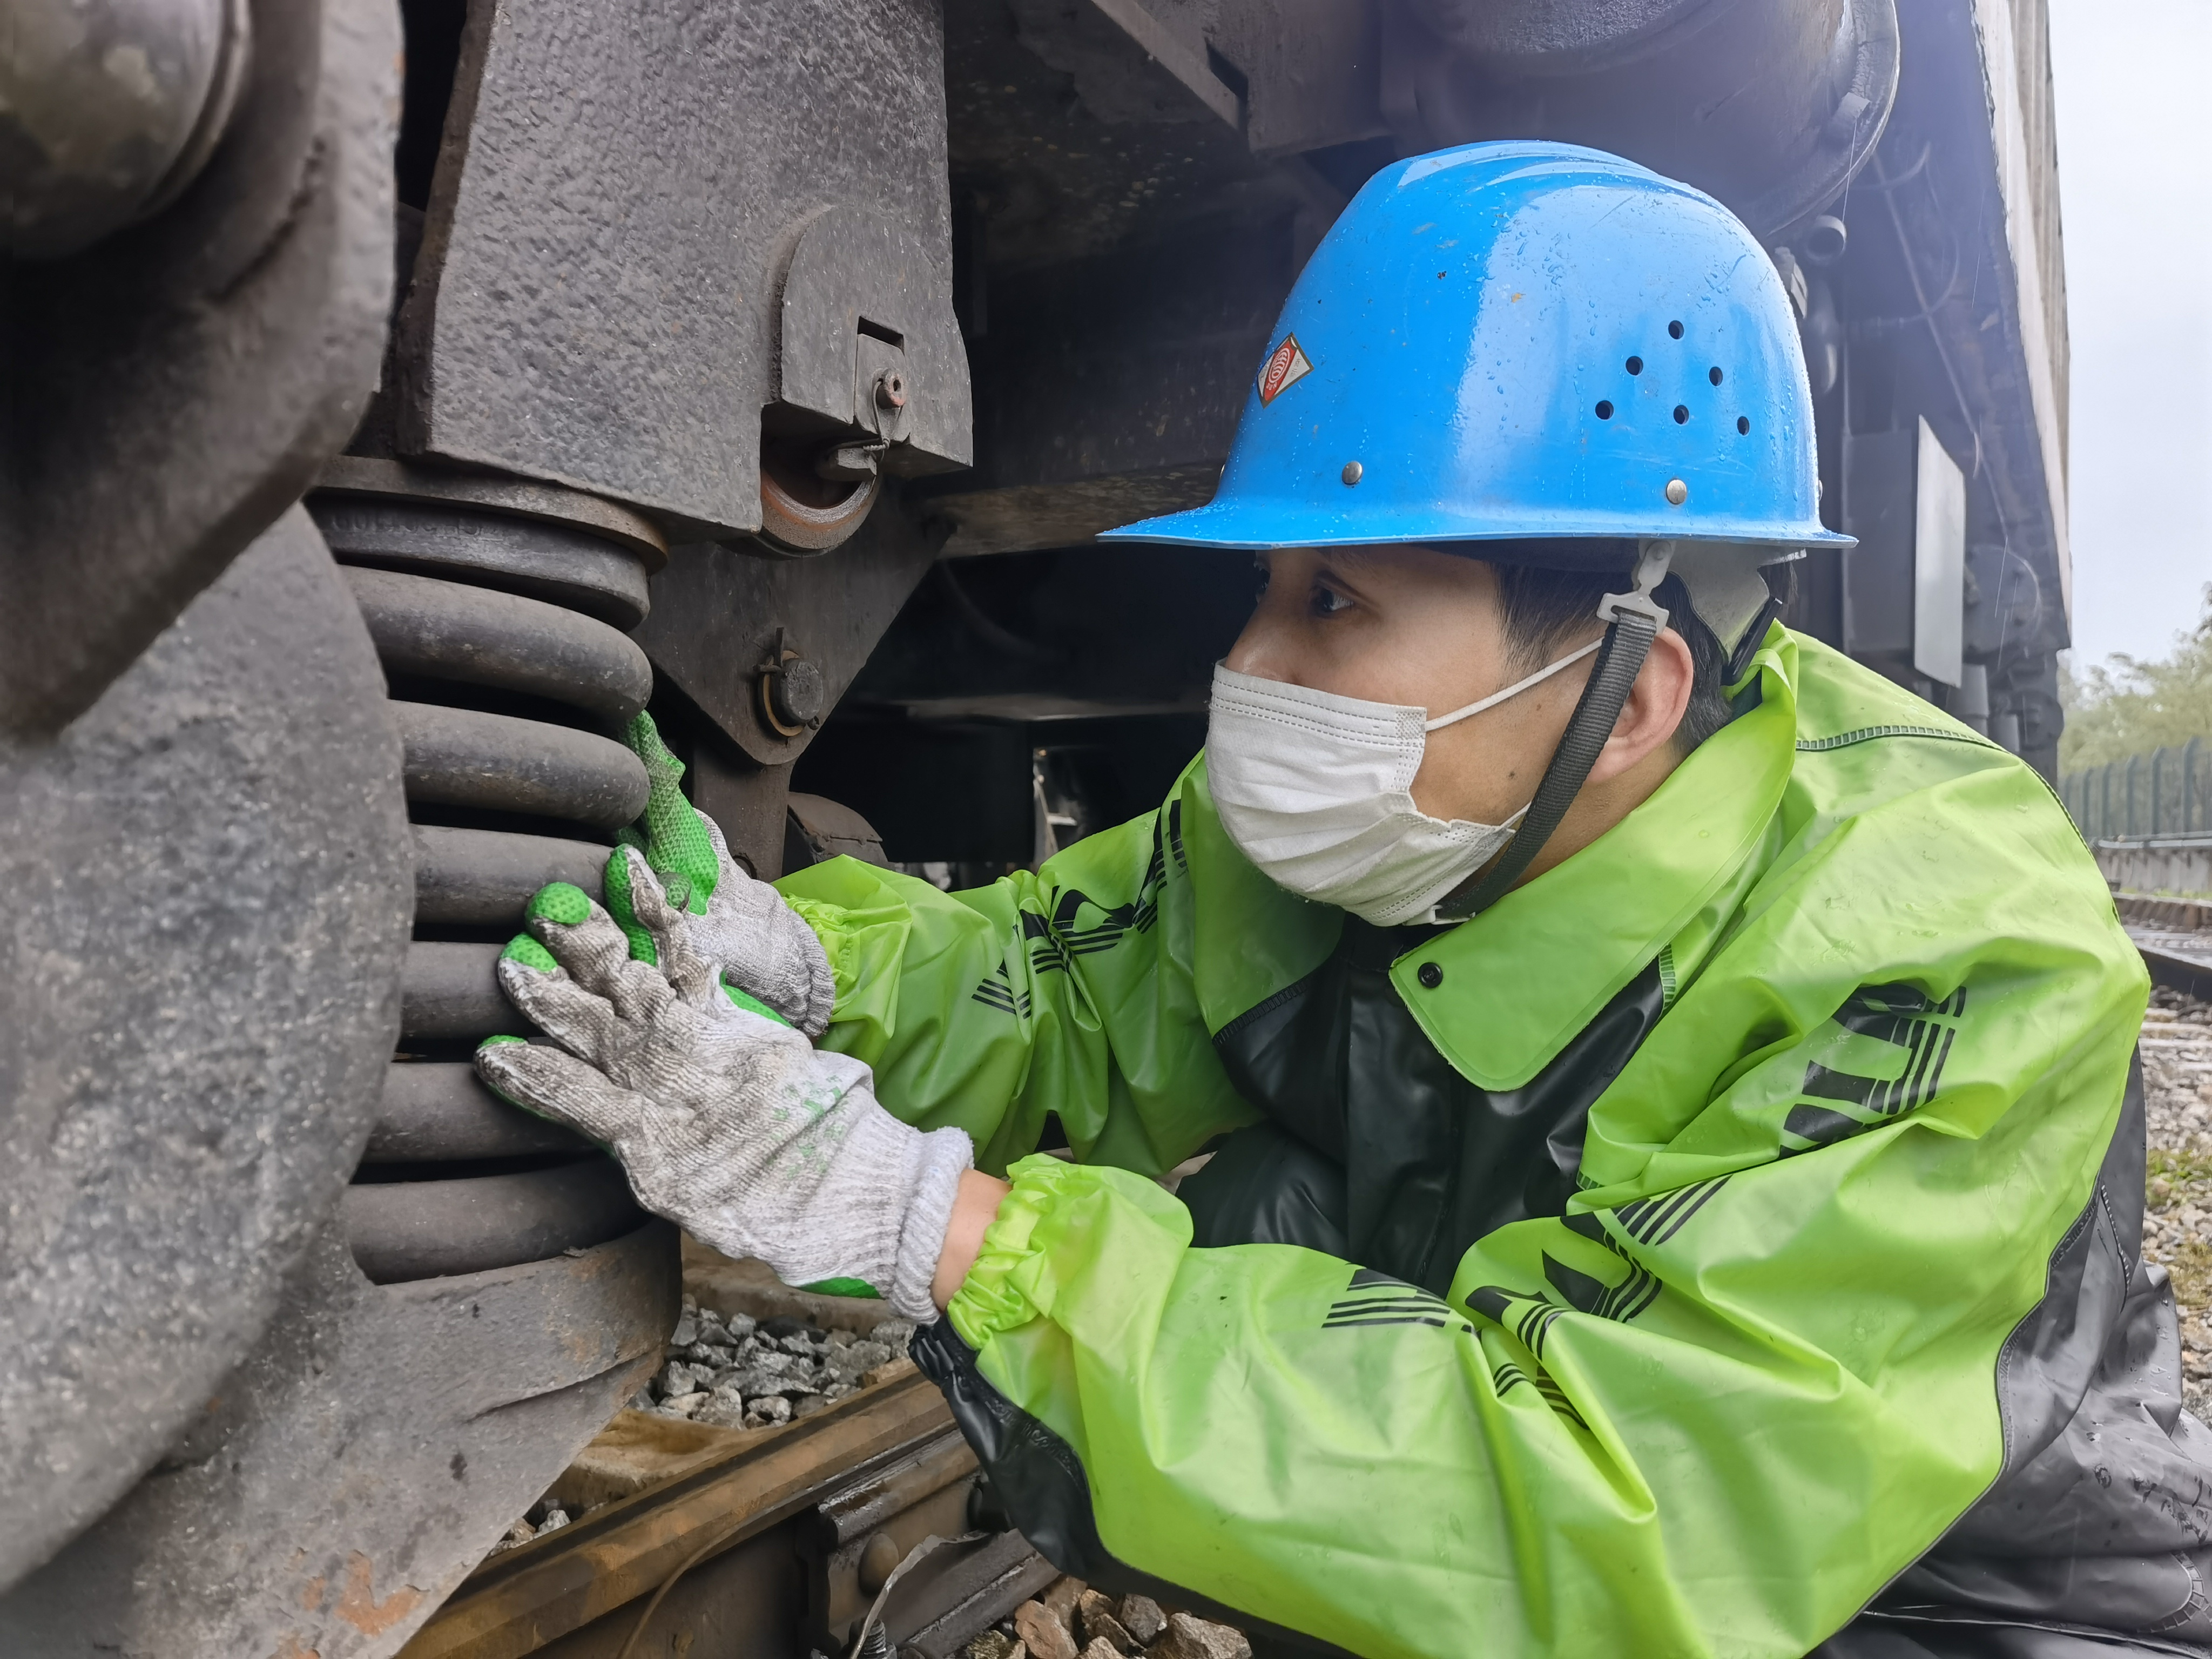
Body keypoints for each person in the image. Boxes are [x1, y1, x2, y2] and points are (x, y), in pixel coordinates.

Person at [476, 143, 2207, 1658]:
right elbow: (1068, 985)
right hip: (1583, 1536)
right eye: (1264, 594)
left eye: (1334, 604)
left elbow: (1626, 1500)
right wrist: (805, 964)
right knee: (1263, 1226)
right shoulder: (1381, 821)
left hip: (1922, 1606)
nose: (1248, 665)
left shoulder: (1942, 947)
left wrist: (931, 1222)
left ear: (1637, 693)